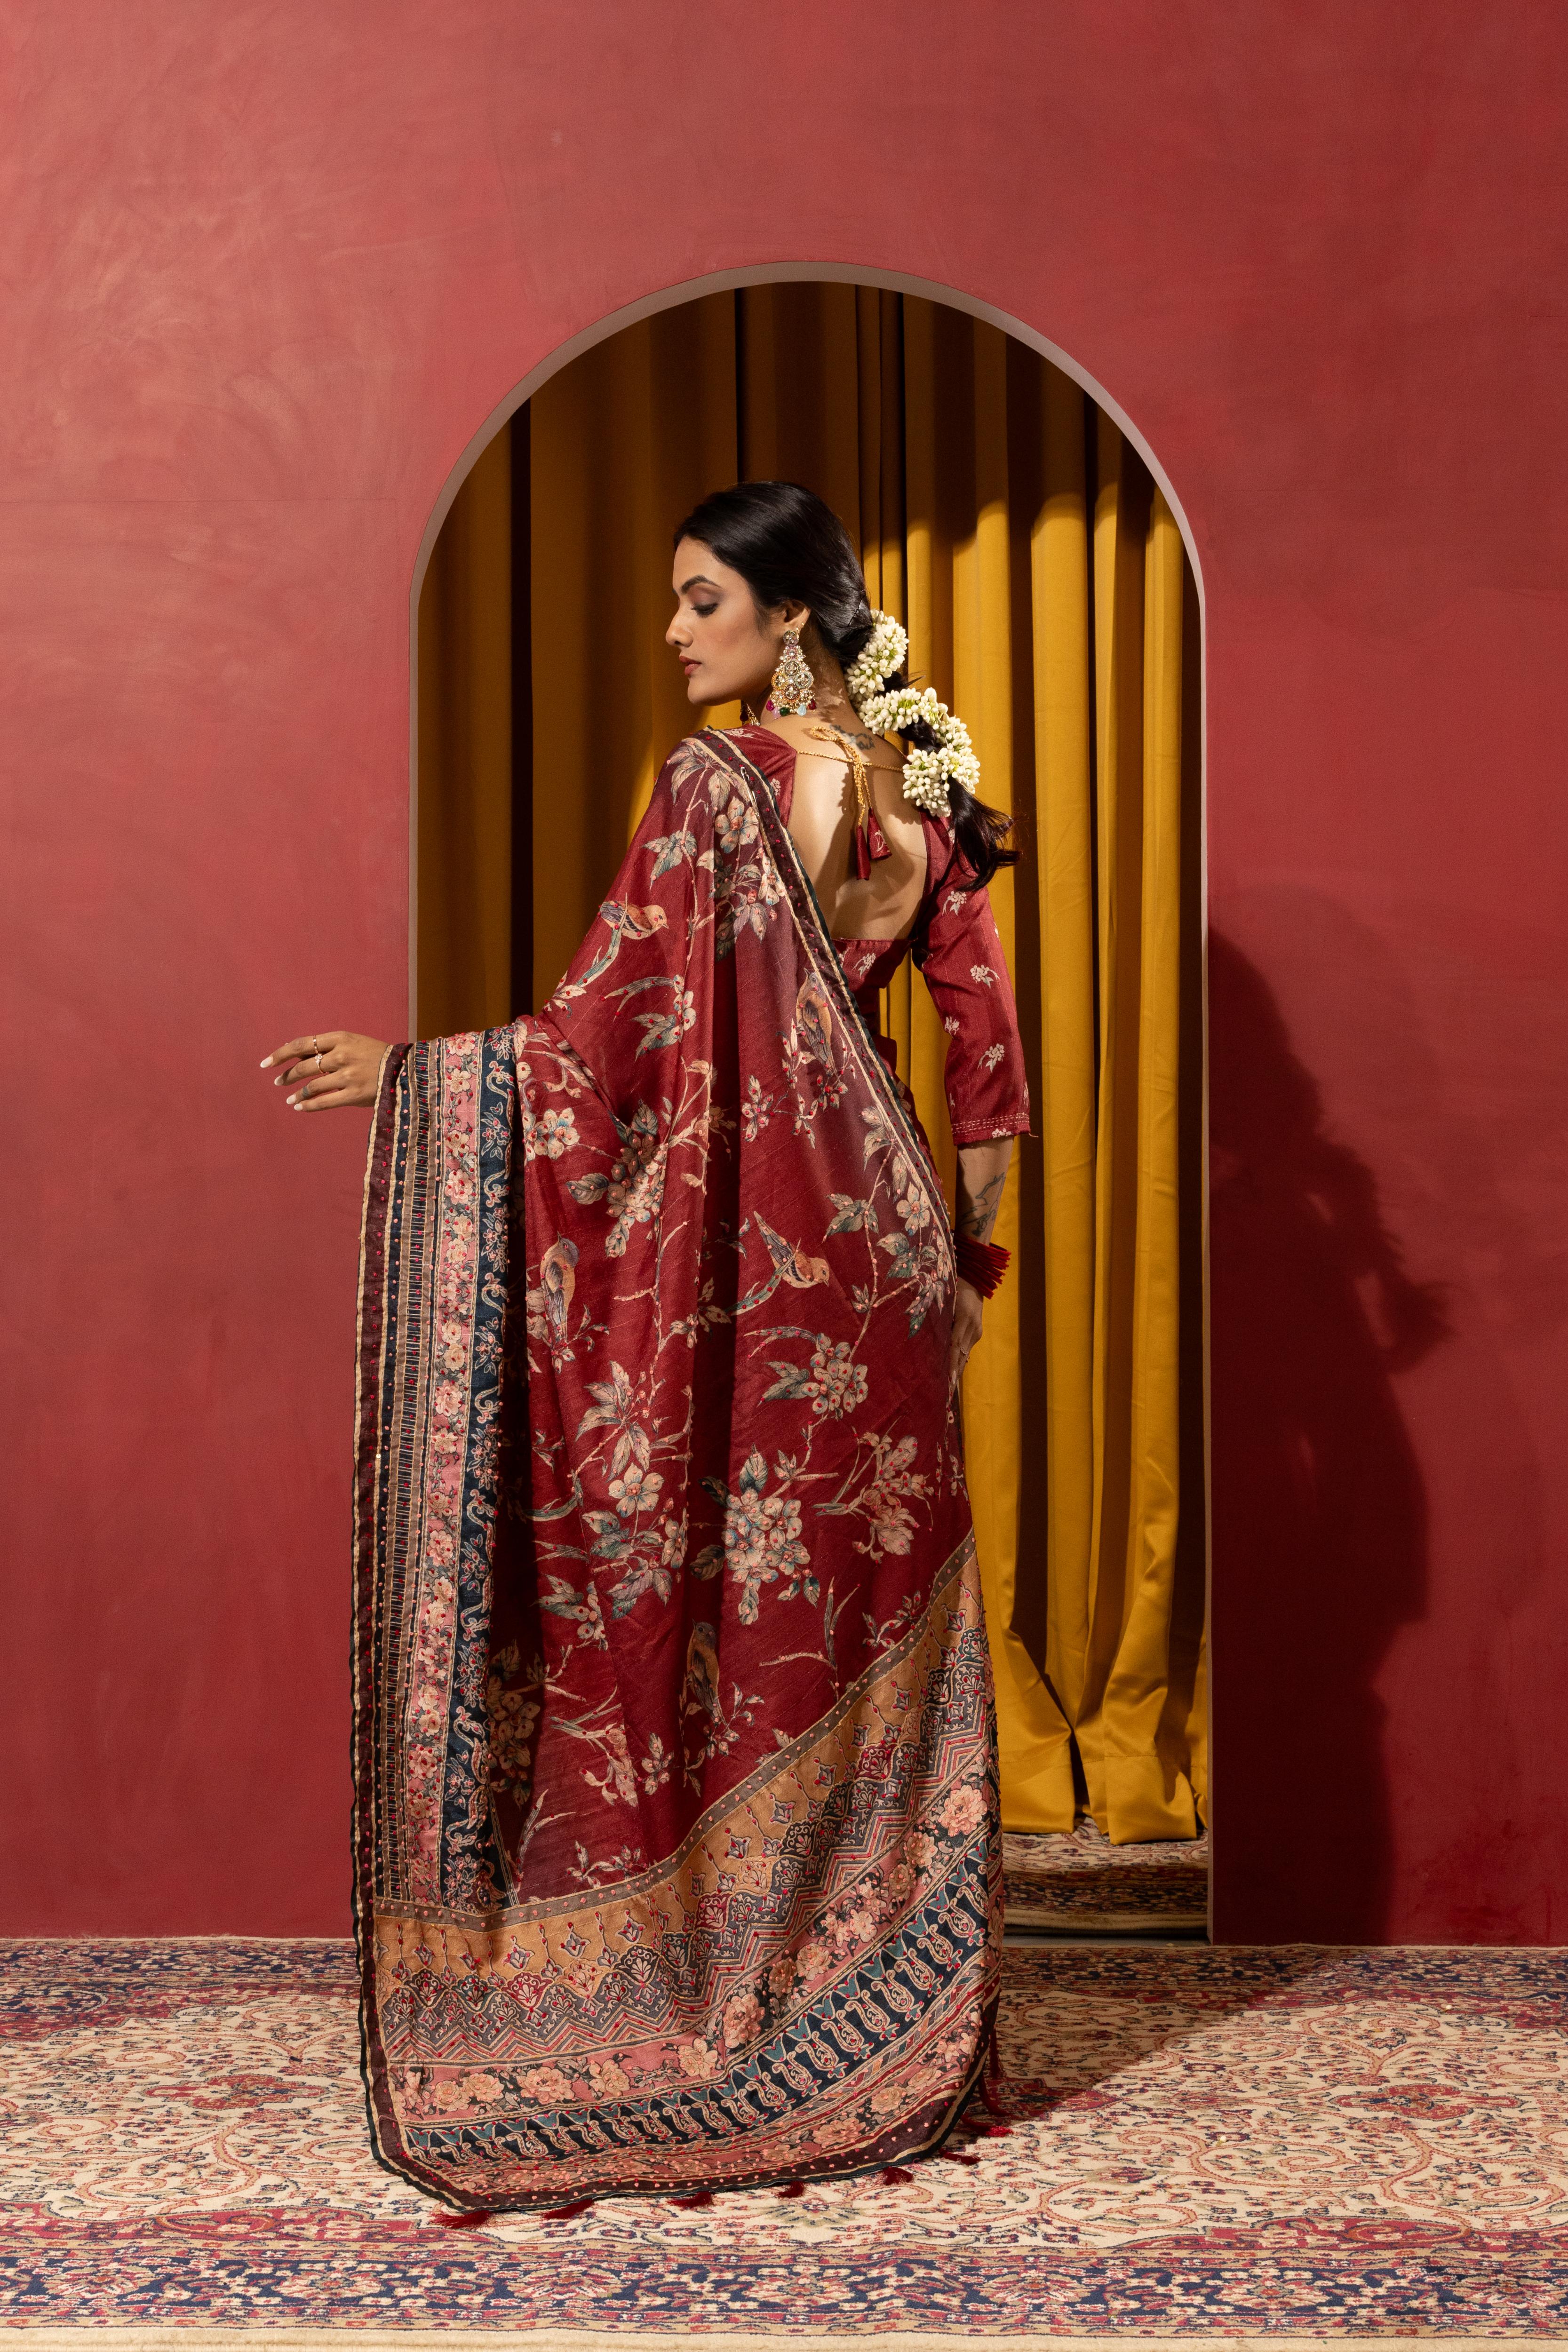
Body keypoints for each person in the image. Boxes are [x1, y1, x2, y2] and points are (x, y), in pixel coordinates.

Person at [262, 482, 1030, 2216]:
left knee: (733, 1591)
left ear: (783, 613)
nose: (677, 633)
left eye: (702, 600)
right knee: (857, 1600)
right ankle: (888, 1996)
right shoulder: (926, 786)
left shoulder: (721, 787)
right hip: (889, 1253)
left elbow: (609, 1038)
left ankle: (735, 1982)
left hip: (760, 1265)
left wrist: (420, 1073)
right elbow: (989, 1072)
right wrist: (964, 1269)